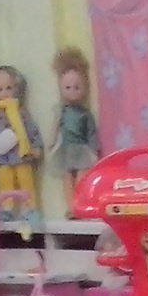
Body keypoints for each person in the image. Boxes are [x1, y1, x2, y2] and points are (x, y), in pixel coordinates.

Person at [0, 66, 42, 212]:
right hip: (2, 158)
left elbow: (31, 130)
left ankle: (30, 209)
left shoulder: (21, 113)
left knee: (26, 181)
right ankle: (6, 209)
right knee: (4, 182)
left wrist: (36, 147)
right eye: (0, 89)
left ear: (16, 88)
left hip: (22, 155)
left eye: (9, 88)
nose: (5, 92)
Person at [49, 49, 100, 211]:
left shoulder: (85, 114)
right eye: (67, 87)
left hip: (82, 150)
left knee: (81, 177)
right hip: (65, 150)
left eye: (77, 87)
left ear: (84, 87)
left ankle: (80, 205)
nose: (72, 91)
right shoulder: (61, 111)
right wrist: (51, 142)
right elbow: (55, 127)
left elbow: (91, 133)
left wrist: (94, 150)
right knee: (66, 178)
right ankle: (71, 207)